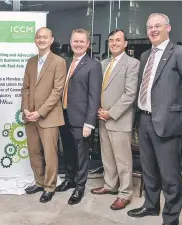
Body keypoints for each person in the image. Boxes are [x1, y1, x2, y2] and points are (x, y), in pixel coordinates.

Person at [127, 13, 182, 225]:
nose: (153, 30)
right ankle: (151, 206)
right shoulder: (145, 56)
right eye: (149, 26)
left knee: (169, 177)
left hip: (168, 123)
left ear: (168, 28)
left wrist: (177, 110)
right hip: (144, 121)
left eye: (157, 26)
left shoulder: (181, 53)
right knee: (149, 170)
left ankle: (171, 219)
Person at [90, 29, 139, 210]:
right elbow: (97, 90)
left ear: (125, 43)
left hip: (119, 119)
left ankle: (125, 193)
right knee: (108, 156)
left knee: (123, 160)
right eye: (111, 40)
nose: (114, 43)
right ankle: (110, 185)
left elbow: (130, 94)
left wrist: (111, 112)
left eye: (118, 40)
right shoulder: (103, 64)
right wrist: (99, 110)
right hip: (102, 117)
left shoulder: (132, 64)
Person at [56, 29, 102, 205]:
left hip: (81, 119)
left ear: (88, 44)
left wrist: (89, 123)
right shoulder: (65, 62)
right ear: (71, 41)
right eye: (75, 41)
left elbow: (94, 96)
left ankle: (80, 186)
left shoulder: (93, 65)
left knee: (81, 154)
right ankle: (70, 179)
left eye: (82, 42)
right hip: (64, 115)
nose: (78, 44)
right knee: (67, 150)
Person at [22, 27, 66, 203]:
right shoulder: (31, 62)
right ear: (35, 40)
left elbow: (57, 91)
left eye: (45, 37)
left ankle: (49, 186)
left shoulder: (59, 61)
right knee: (34, 152)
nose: (41, 40)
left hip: (48, 117)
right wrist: (26, 109)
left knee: (50, 154)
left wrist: (39, 113)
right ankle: (39, 182)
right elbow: (25, 87)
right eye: (38, 37)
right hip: (29, 116)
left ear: (51, 40)